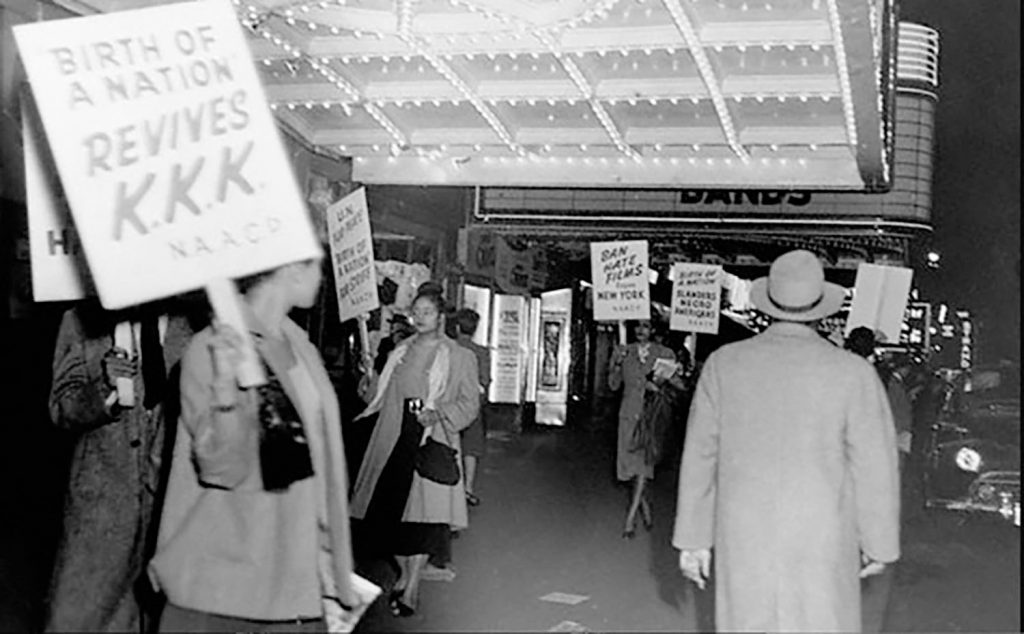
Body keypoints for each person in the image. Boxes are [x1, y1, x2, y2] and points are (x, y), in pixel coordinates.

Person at [673, 249, 900, 633]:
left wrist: (693, 540)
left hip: (743, 534)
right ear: (821, 310)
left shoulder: (723, 365)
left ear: (768, 304)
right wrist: (879, 542)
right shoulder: (853, 373)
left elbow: (700, 457)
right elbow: (875, 467)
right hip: (824, 537)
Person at [149, 257, 364, 632]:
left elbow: (317, 469)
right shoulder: (213, 347)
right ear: (290, 267)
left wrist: (328, 553)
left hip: (295, 582)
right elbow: (223, 468)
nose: (323, 277)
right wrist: (225, 386)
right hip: (228, 587)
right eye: (317, 265)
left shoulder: (300, 348)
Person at [45, 299, 194, 633]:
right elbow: (61, 407)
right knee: (80, 617)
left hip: (170, 503)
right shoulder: (82, 320)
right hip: (102, 506)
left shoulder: (194, 319)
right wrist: (104, 388)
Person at [349, 289, 479, 617]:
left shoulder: (460, 356)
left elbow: (469, 404)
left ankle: (413, 588)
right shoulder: (400, 350)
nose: (419, 317)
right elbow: (376, 398)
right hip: (395, 437)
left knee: (422, 519)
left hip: (430, 438)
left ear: (440, 317)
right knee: (392, 515)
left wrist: (439, 413)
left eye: (426, 311)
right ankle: (406, 576)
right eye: (415, 311)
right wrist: (368, 377)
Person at [608, 319, 675, 538]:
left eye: (646, 326)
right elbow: (613, 385)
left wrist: (661, 384)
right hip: (627, 417)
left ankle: (630, 520)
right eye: (637, 325)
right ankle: (644, 507)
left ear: (653, 329)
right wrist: (616, 363)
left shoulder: (664, 353)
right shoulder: (624, 351)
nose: (640, 330)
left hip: (651, 418)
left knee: (643, 467)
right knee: (629, 470)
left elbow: (676, 386)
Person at [452, 308, 491, 507]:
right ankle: (468, 489)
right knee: (471, 449)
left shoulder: (448, 348)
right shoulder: (482, 352)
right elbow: (485, 382)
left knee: (452, 445)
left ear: (457, 327)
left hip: (450, 406)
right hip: (472, 406)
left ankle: (452, 489)